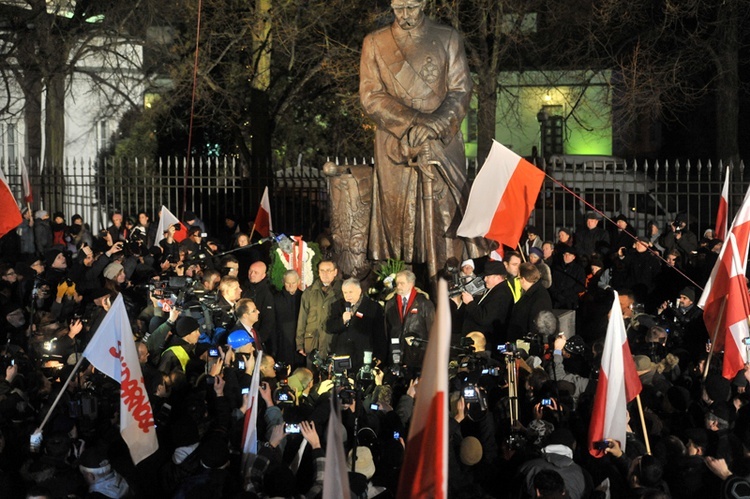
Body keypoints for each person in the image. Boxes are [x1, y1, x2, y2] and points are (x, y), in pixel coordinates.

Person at [359, 0, 485, 271]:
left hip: (442, 140)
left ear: (424, 3)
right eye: (398, 8)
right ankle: (402, 282)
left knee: (446, 216)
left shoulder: (447, 37)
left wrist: (435, 125)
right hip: (395, 140)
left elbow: (461, 90)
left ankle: (447, 279)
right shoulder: (375, 42)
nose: (404, 15)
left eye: (411, 7)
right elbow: (371, 96)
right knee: (399, 219)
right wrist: (416, 123)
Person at [327, 278, 386, 372]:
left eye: (351, 292)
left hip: (364, 355)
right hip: (343, 355)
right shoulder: (337, 306)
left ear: (359, 291)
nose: (348, 295)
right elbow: (330, 327)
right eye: (345, 292)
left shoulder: (373, 307)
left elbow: (380, 334)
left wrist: (379, 356)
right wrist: (342, 321)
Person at [384, 270, 435, 368]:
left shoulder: (424, 303)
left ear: (411, 284)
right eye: (397, 283)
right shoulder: (390, 304)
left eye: (402, 283)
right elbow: (387, 330)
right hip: (396, 356)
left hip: (417, 357)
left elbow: (432, 331)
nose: (398, 287)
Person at [296, 260, 342, 365]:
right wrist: (299, 344)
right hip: (312, 344)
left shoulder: (342, 292)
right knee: (311, 377)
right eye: (322, 270)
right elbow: (302, 319)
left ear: (335, 272)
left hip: (333, 344)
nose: (325, 274)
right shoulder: (309, 293)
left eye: (328, 270)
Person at [459, 261, 513, 346]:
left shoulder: (501, 294)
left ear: (498, 277)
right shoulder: (494, 290)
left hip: (486, 343)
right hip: (477, 341)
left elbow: (485, 318)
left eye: (488, 276)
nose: (485, 279)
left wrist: (470, 303)